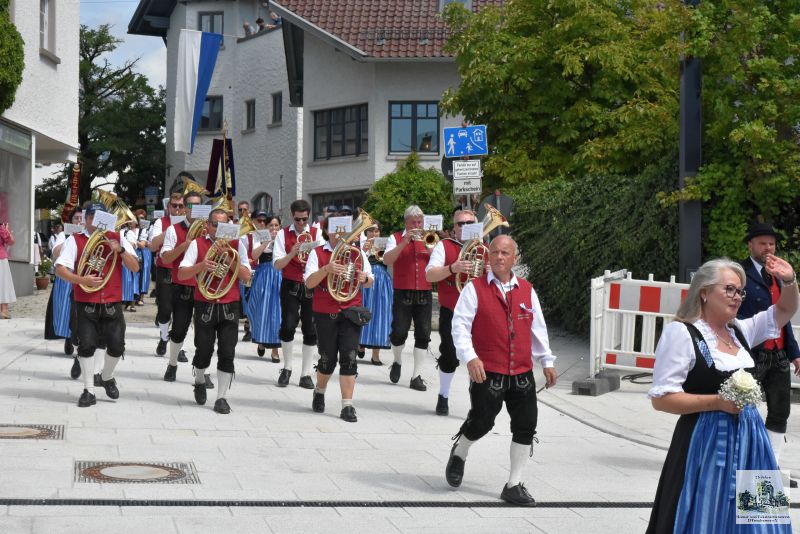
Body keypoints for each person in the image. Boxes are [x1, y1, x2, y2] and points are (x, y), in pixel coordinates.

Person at [646, 257, 798, 533]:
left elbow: (785, 309)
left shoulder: (741, 330)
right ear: (704, 292)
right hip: (706, 442)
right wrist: (716, 402)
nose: (737, 296)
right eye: (729, 289)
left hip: (753, 441)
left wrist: (789, 281)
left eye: (740, 291)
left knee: (763, 522)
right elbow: (662, 399)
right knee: (709, 515)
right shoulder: (682, 333)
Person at [445, 235, 556, 505]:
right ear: (488, 256)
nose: (499, 257)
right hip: (487, 371)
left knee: (526, 425)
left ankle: (513, 484)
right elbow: (459, 326)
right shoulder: (474, 288)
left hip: (521, 372)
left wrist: (547, 361)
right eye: (494, 252)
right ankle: (460, 451)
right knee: (481, 422)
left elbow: (537, 327)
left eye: (505, 253)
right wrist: (470, 357)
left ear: (514, 258)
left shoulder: (527, 290)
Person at [54, 204, 140, 407]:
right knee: (86, 346)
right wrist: (81, 279)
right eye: (92, 216)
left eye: (100, 216)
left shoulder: (117, 237)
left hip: (111, 301)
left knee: (117, 346)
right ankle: (88, 390)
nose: (96, 220)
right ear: (86, 218)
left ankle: (107, 376)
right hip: (86, 302)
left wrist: (120, 250)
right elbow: (60, 269)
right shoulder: (75, 239)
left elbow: (135, 267)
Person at [738, 223, 800, 481]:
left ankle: (770, 468)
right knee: (743, 409)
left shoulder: (780, 275)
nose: (768, 248)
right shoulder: (739, 273)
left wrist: (794, 352)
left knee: (780, 410)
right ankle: (742, 464)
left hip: (778, 353)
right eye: (762, 243)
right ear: (750, 245)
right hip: (751, 352)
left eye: (772, 243)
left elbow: (784, 317)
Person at [177, 208, 252, 414]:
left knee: (227, 352)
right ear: (208, 226)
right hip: (205, 304)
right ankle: (200, 380)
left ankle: (221, 397)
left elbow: (246, 276)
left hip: (229, 305)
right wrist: (202, 266)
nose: (219, 229)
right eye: (215, 224)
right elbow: (182, 274)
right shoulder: (197, 244)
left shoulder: (237, 245)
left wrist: (227, 259)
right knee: (203, 349)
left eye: (223, 225)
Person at [304, 215, 373, 422]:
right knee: (327, 360)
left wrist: (365, 278)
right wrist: (327, 269)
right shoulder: (318, 253)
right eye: (335, 228)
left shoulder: (357, 253)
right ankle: (320, 390)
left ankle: (347, 405)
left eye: (344, 228)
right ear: (327, 231)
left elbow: (370, 280)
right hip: (326, 312)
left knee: (349, 358)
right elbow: (309, 283)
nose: (340, 233)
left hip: (351, 311)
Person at [425, 209, 478, 415]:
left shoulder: (484, 247)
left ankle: (476, 402)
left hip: (479, 313)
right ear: (454, 228)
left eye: (469, 223)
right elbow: (430, 275)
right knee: (448, 354)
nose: (465, 227)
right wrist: (452, 268)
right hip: (452, 310)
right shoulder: (444, 246)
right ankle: (444, 394)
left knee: (478, 357)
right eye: (460, 224)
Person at [159, 191, 211, 385]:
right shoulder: (174, 230)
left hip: (205, 288)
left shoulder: (210, 230)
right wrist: (185, 245)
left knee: (205, 334)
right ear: (184, 208)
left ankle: (202, 372)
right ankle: (172, 363)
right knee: (179, 330)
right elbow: (166, 258)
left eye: (198, 206)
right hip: (182, 287)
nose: (193, 209)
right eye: (190, 205)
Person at [382, 205, 432, 390]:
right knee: (398, 332)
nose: (417, 226)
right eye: (413, 223)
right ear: (406, 223)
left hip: (424, 292)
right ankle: (397, 360)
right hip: (402, 291)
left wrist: (430, 247)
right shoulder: (395, 238)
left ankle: (416, 376)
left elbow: (439, 261)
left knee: (424, 334)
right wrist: (404, 242)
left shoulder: (429, 238)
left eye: (419, 222)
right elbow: (387, 260)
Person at [272, 199, 319, 389]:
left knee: (310, 329)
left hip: (310, 284)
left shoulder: (316, 233)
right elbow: (277, 265)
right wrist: (292, 253)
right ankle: (287, 367)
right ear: (292, 216)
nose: (301, 223)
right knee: (288, 326)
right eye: (298, 219)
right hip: (290, 283)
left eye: (305, 219)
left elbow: (324, 258)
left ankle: (306, 374)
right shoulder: (282, 234)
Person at [148, 192, 187, 357]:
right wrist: (172, 228)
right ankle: (164, 337)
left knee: (182, 312)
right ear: (168, 206)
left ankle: (179, 347)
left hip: (184, 270)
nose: (177, 209)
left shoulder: (191, 224)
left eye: (180, 206)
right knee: (164, 309)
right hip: (165, 269)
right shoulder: (160, 222)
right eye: (174, 205)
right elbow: (152, 245)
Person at [45, 209, 82, 362]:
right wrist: (70, 237)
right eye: (76, 218)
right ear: (71, 220)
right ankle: (68, 337)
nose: (79, 221)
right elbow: (55, 253)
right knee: (66, 308)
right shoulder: (64, 235)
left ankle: (79, 337)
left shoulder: (88, 234)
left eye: (81, 218)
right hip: (66, 275)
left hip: (82, 275)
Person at [247, 211, 282, 362]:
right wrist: (267, 240)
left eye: (276, 225)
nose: (273, 228)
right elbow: (255, 256)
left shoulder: (283, 236)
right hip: (264, 273)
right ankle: (261, 339)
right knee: (261, 309)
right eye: (270, 225)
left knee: (278, 311)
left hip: (279, 274)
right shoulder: (259, 235)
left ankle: (275, 350)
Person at [359, 223, 391, 365]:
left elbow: (390, 262)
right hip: (366, 279)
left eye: (376, 231)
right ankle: (360, 343)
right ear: (366, 233)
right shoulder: (360, 245)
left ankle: (376, 355)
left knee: (380, 315)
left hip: (382, 280)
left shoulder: (386, 244)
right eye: (371, 231)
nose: (374, 233)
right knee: (363, 311)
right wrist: (364, 251)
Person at [121, 221, 139, 312]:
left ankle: (131, 304)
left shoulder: (129, 232)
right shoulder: (121, 232)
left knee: (130, 281)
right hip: (121, 260)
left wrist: (125, 243)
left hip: (127, 258)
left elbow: (133, 245)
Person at [136, 211, 152, 306]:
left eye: (142, 218)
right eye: (138, 218)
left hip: (145, 252)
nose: (140, 220)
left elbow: (150, 242)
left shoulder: (149, 228)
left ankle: (141, 298)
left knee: (144, 274)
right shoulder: (132, 229)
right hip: (135, 251)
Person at [0, 222, 16, 319]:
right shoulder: (1, 227)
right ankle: (4, 310)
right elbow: (11, 241)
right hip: (1, 258)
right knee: (4, 283)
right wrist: (7, 230)